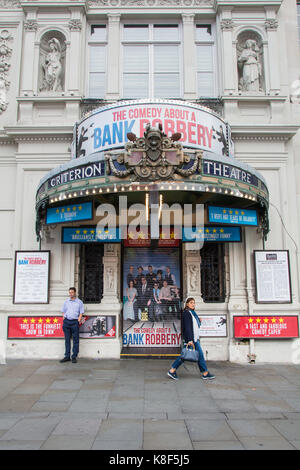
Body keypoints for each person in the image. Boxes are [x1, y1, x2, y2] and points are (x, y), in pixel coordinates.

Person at [167, 297, 215, 380]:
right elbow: (188, 327)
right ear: (187, 304)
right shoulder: (187, 313)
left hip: (194, 338)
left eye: (194, 303)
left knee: (194, 355)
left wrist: (199, 320)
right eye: (191, 302)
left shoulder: (192, 313)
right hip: (191, 339)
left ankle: (205, 372)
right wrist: (189, 340)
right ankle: (172, 370)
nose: (193, 304)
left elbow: (194, 325)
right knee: (185, 356)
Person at [60, 287, 84, 363]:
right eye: (69, 292)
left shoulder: (79, 302)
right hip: (67, 322)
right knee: (67, 340)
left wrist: (78, 320)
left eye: (72, 292)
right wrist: (64, 319)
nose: (70, 294)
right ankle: (67, 356)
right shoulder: (66, 302)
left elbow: (81, 312)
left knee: (75, 340)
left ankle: (74, 356)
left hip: (74, 322)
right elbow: (63, 311)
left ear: (75, 293)